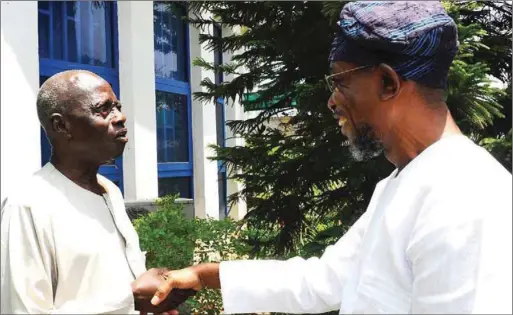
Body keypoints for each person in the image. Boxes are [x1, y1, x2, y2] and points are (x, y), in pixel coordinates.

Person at [143, 1, 513, 314]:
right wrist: (202, 275)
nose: (332, 101)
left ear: (388, 82)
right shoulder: (406, 181)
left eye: (340, 81)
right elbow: (327, 279)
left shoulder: (464, 197)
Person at [0, 70, 176, 314]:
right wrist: (130, 300)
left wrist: (151, 300)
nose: (121, 117)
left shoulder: (109, 190)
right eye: (104, 109)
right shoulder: (27, 205)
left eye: (118, 106)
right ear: (61, 125)